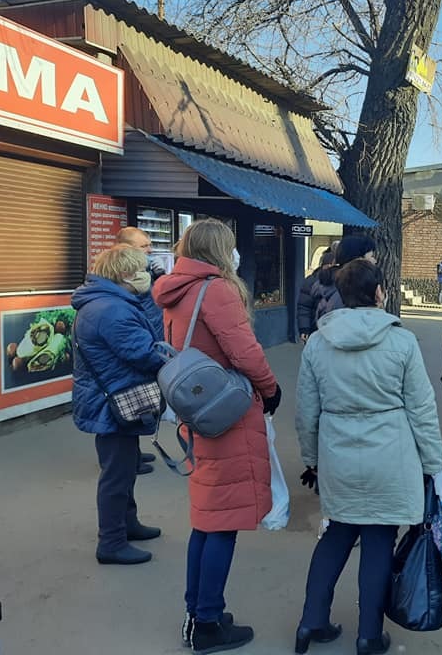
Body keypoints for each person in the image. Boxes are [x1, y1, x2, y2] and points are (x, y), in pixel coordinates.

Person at [295, 258, 442, 655]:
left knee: (336, 535)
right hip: (390, 458)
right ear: (380, 291)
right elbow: (422, 410)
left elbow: (306, 410)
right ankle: (369, 635)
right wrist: (433, 465)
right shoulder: (401, 341)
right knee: (378, 540)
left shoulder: (320, 343)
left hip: (338, 455)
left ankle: (311, 622)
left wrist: (312, 459)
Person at [153, 219, 282, 654]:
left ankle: (199, 611)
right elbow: (245, 351)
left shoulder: (176, 289)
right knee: (223, 523)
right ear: (220, 251)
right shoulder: (217, 289)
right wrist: (271, 389)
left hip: (197, 410)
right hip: (226, 413)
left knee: (207, 521)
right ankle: (206, 623)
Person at [71, 244, 166, 565]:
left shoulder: (105, 302)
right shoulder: (112, 310)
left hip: (108, 399)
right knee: (116, 475)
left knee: (123, 470)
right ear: (125, 273)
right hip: (112, 403)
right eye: (140, 268)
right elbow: (145, 351)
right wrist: (173, 361)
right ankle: (110, 542)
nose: (146, 274)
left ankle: (128, 524)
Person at [116, 226, 164, 475]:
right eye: (144, 246)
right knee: (129, 401)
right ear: (127, 249)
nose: (150, 249)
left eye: (149, 244)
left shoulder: (145, 271)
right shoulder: (124, 275)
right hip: (138, 342)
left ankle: (132, 453)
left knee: (137, 403)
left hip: (149, 336)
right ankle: (125, 459)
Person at [308, 234, 377, 325]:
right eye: (371, 256)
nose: (375, 261)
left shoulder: (333, 283)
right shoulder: (346, 291)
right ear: (358, 260)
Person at [297, 240, 339, 343]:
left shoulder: (341, 281)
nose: (331, 270)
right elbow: (304, 306)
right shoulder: (312, 281)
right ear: (323, 266)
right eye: (328, 267)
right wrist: (304, 328)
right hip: (315, 328)